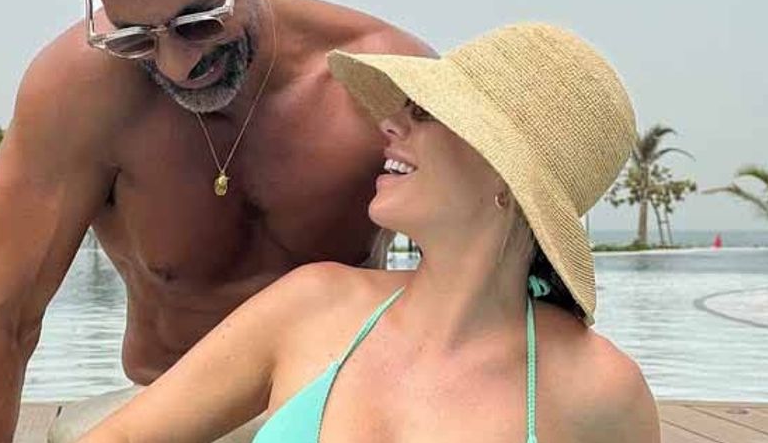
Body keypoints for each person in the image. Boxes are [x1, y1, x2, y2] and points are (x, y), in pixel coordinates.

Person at [0, 0, 431, 443]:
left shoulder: (384, 84)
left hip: (341, 414)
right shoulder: (79, 94)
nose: (175, 65)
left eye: (198, 21)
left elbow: (492, 291)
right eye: (134, 36)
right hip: (162, 413)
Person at [79, 24, 661, 443]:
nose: (388, 123)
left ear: (506, 179)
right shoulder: (312, 304)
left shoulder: (598, 390)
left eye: (424, 114)